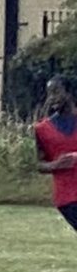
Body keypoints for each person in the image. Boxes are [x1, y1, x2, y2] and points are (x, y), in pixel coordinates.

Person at [34, 75, 77, 231]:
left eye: (56, 92)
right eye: (49, 93)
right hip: (68, 198)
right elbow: (39, 164)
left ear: (69, 92)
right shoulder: (42, 129)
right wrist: (56, 164)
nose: (52, 98)